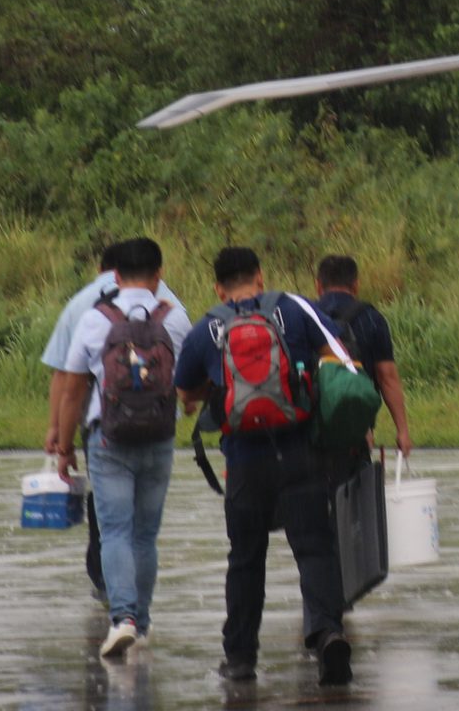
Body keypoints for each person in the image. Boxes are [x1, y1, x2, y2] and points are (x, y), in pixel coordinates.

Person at [173, 245, 359, 686]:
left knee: (245, 559)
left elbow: (185, 393)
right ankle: (328, 633)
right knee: (314, 547)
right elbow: (341, 354)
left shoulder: (207, 328)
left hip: (243, 463)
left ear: (217, 286)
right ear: (260, 276)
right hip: (299, 453)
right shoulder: (293, 307)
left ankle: (240, 658)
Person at [53, 237, 192, 657]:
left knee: (114, 530)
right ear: (158, 273)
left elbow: (73, 386)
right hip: (160, 438)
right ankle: (142, 623)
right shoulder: (176, 317)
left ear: (114, 275)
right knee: (145, 535)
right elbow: (186, 381)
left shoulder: (97, 319)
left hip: (108, 438)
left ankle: (123, 618)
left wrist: (64, 447)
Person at [314, 253, 412, 457]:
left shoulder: (307, 315)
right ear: (356, 285)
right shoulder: (372, 318)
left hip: (313, 431)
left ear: (318, 285)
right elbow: (387, 377)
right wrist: (402, 431)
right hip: (357, 430)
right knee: (359, 484)